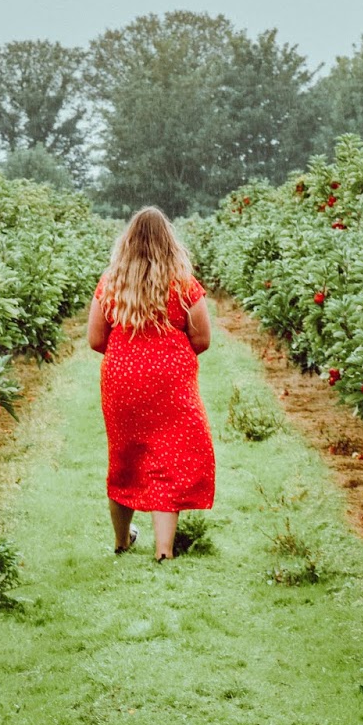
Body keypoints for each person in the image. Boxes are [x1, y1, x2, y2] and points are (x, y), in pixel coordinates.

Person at [88, 206, 214, 562]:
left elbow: (96, 339)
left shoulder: (111, 284)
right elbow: (202, 338)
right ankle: (163, 549)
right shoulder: (184, 284)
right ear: (169, 242)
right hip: (170, 380)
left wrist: (130, 350)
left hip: (122, 380)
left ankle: (121, 540)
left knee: (124, 458)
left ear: (126, 242)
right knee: (169, 458)